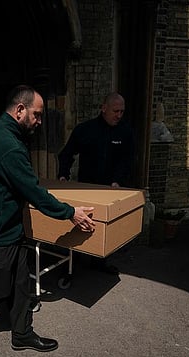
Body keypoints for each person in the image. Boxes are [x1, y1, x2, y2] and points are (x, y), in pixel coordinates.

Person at [0, 85, 95, 352]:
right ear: (20, 110)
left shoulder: (1, 135)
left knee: (22, 283)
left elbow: (19, 186)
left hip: (9, 229)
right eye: (36, 115)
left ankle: (22, 334)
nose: (38, 121)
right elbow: (33, 191)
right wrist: (71, 213)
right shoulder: (6, 145)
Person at [57, 92, 135, 275]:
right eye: (116, 111)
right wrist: (63, 176)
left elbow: (128, 159)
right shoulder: (85, 130)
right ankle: (73, 261)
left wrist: (118, 181)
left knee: (105, 227)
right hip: (87, 186)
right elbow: (67, 154)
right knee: (82, 223)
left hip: (111, 187)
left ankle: (100, 261)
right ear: (104, 108)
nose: (119, 115)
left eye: (122, 111)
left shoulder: (125, 131)